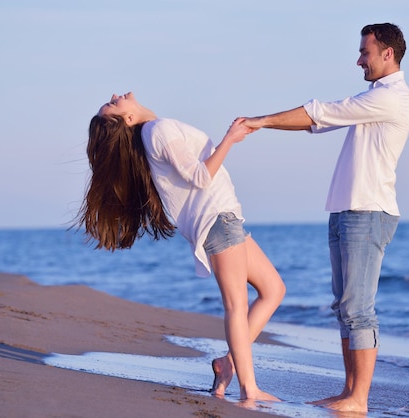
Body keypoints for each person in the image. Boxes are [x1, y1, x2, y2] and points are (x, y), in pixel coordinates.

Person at [241, 23, 409, 413]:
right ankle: (348, 391)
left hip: (368, 212)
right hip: (346, 209)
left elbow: (324, 113)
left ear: (387, 53)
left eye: (364, 53)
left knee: (359, 308)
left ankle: (359, 399)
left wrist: (261, 121)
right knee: (344, 307)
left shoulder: (393, 98)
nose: (359, 60)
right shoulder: (376, 95)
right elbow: (322, 120)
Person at [76, 91, 286, 402]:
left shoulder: (153, 133)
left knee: (273, 289)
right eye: (115, 104)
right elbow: (200, 177)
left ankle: (227, 364)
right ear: (129, 119)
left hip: (226, 217)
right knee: (236, 306)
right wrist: (230, 138)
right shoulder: (158, 132)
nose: (116, 95)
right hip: (216, 220)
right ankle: (248, 388)